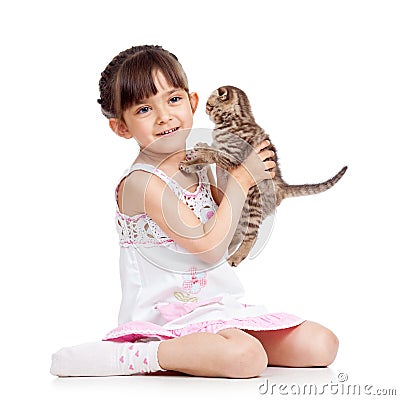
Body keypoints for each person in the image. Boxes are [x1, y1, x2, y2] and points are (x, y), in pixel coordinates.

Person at [50, 45, 338, 378]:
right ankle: (139, 354)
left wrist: (237, 168)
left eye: (173, 100)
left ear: (193, 102)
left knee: (321, 345)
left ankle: (213, 346)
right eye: (144, 109)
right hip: (166, 317)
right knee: (247, 358)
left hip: (216, 308)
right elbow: (209, 247)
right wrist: (242, 180)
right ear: (122, 127)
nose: (164, 117)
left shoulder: (198, 166)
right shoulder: (142, 183)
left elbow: (229, 240)